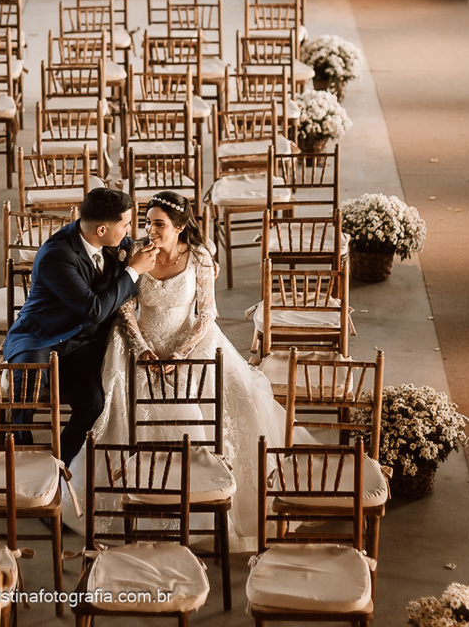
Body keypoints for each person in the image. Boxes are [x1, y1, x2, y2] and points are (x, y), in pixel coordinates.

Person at [63, 190, 298, 552]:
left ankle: (204, 497)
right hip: (138, 342)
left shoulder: (201, 259)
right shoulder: (135, 251)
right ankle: (134, 499)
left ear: (180, 227)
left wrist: (180, 354)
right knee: (120, 409)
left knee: (234, 399)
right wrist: (143, 349)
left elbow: (207, 314)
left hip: (190, 341)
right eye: (147, 222)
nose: (149, 230)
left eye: (159, 224)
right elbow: (125, 308)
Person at [3, 187, 158, 465]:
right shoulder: (57, 255)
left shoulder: (113, 242)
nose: (129, 230)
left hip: (82, 343)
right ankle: (19, 454)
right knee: (27, 386)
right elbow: (95, 310)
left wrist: (198, 257)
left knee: (93, 403)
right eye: (125, 225)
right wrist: (132, 271)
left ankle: (59, 460)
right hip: (41, 335)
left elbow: (143, 247)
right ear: (101, 229)